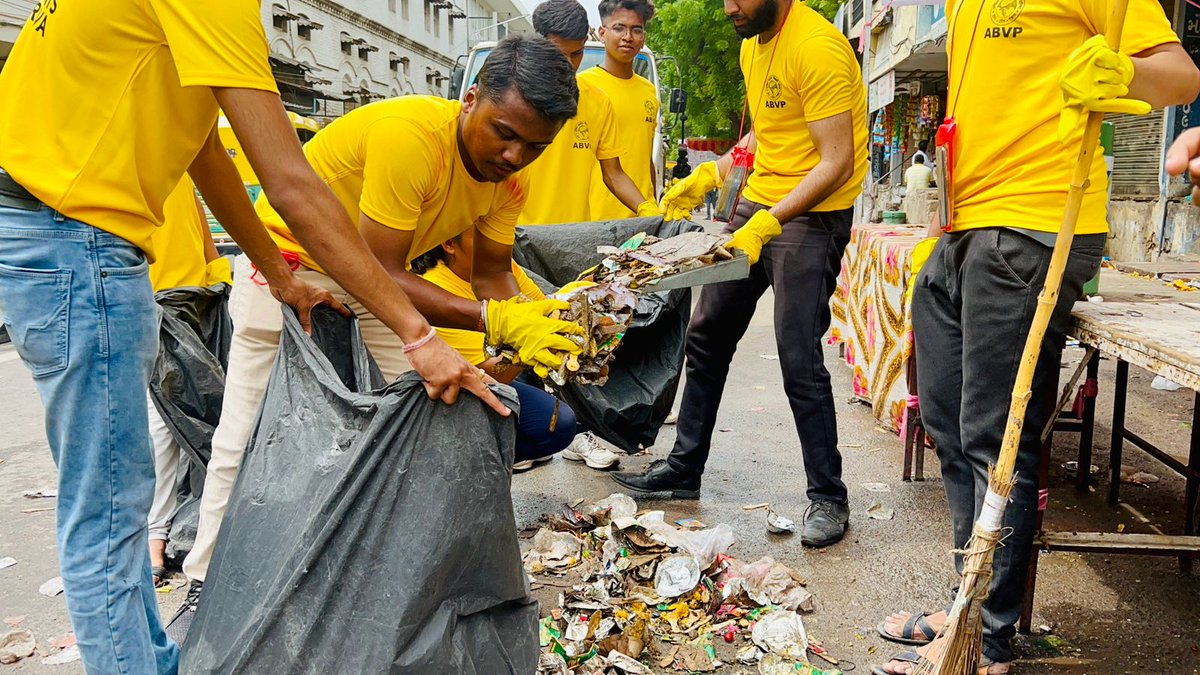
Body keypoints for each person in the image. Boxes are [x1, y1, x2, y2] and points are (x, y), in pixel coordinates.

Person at [0, 1, 499, 671]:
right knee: (109, 514)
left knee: (112, 505)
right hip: (76, 243)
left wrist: (277, 272)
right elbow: (292, 183)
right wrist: (417, 334)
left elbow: (204, 146)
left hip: (52, 233)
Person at [170, 35, 584, 639]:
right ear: (470, 99)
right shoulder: (412, 137)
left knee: (431, 413)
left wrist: (530, 322)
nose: (515, 155)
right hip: (287, 268)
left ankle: (394, 572)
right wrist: (489, 320)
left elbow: (490, 275)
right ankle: (204, 583)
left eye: (535, 146)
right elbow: (383, 268)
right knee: (249, 430)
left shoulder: (508, 184)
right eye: (504, 132)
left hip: (375, 284)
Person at [872, 2, 1199, 673]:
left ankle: (984, 642)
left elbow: (1180, 76)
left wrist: (1121, 72)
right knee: (949, 424)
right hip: (964, 224)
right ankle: (965, 601)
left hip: (1035, 223)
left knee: (995, 438)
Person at [612, 0, 868, 550]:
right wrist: (714, 171)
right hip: (758, 203)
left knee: (797, 353)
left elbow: (835, 161)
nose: (730, 7)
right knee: (707, 334)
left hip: (811, 214)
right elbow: (768, 138)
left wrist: (770, 221)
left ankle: (828, 495)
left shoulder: (817, 46)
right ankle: (684, 467)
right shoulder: (753, 43)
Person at [411, 231, 578, 472]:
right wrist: (520, 352)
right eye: (483, 235)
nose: (499, 243)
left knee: (559, 420)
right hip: (452, 394)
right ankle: (464, 468)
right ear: (449, 243)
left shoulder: (501, 267)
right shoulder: (434, 290)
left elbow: (541, 308)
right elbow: (491, 375)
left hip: (490, 378)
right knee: (552, 422)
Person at [145, 176, 231, 588]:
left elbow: (202, 233)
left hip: (197, 303)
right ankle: (155, 540)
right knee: (166, 424)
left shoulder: (177, 168)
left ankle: (186, 531)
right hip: (158, 306)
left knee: (201, 419)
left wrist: (219, 282)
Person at [521, 0, 658, 227]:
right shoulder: (515, 96)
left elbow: (614, 173)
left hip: (577, 236)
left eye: (576, 54)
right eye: (557, 53)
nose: (567, 64)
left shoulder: (596, 101)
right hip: (519, 234)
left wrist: (648, 207)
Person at [582, 0, 661, 220]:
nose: (628, 37)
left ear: (643, 36)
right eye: (618, 28)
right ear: (602, 33)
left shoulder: (648, 91)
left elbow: (646, 159)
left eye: (636, 30)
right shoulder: (583, 87)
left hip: (643, 216)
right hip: (597, 218)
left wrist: (652, 206)